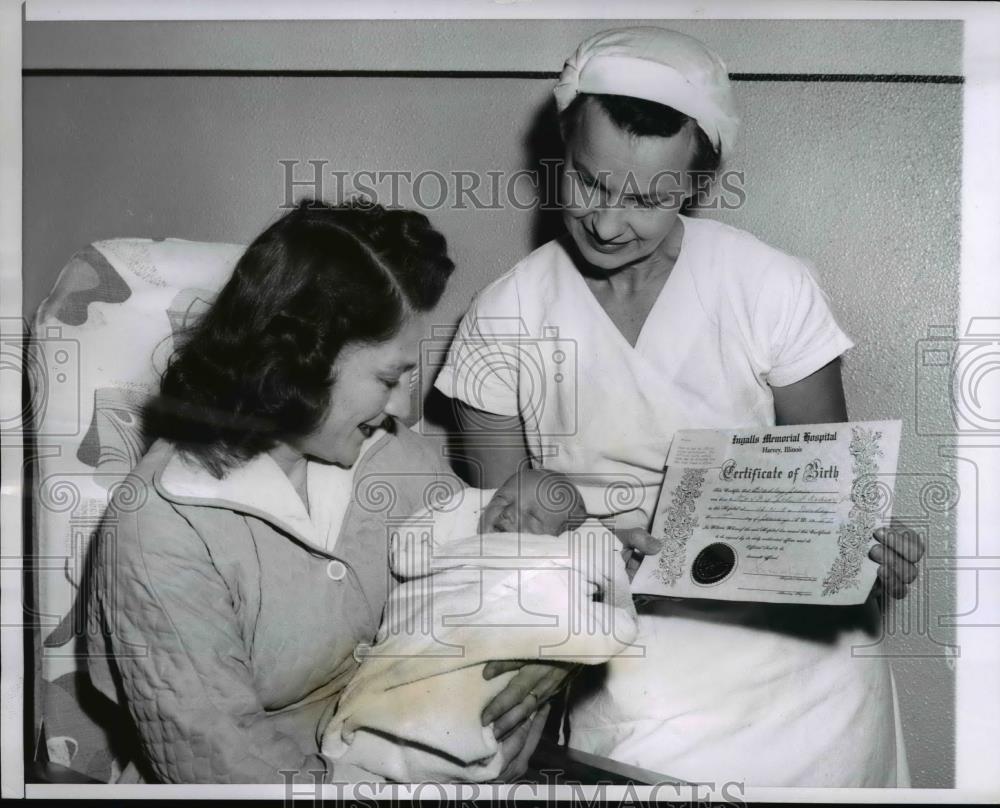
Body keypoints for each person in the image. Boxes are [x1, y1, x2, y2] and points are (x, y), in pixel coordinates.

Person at [434, 27, 925, 786]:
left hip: (803, 686)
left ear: (695, 184)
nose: (605, 221)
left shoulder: (769, 287)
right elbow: (505, 544)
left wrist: (864, 545)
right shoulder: (503, 318)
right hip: (626, 665)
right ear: (562, 151)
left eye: (648, 198)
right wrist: (536, 644)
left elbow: (831, 491)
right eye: (590, 182)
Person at [84, 199, 551, 784]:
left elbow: (497, 564)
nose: (405, 407)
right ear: (300, 362)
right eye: (388, 378)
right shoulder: (162, 527)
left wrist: (551, 649)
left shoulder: (388, 453)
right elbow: (222, 766)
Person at [320, 468, 637, 783]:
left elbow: (588, 620)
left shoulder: (554, 559)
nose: (510, 513)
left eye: (533, 516)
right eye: (502, 499)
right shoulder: (455, 551)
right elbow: (415, 588)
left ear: (556, 537)